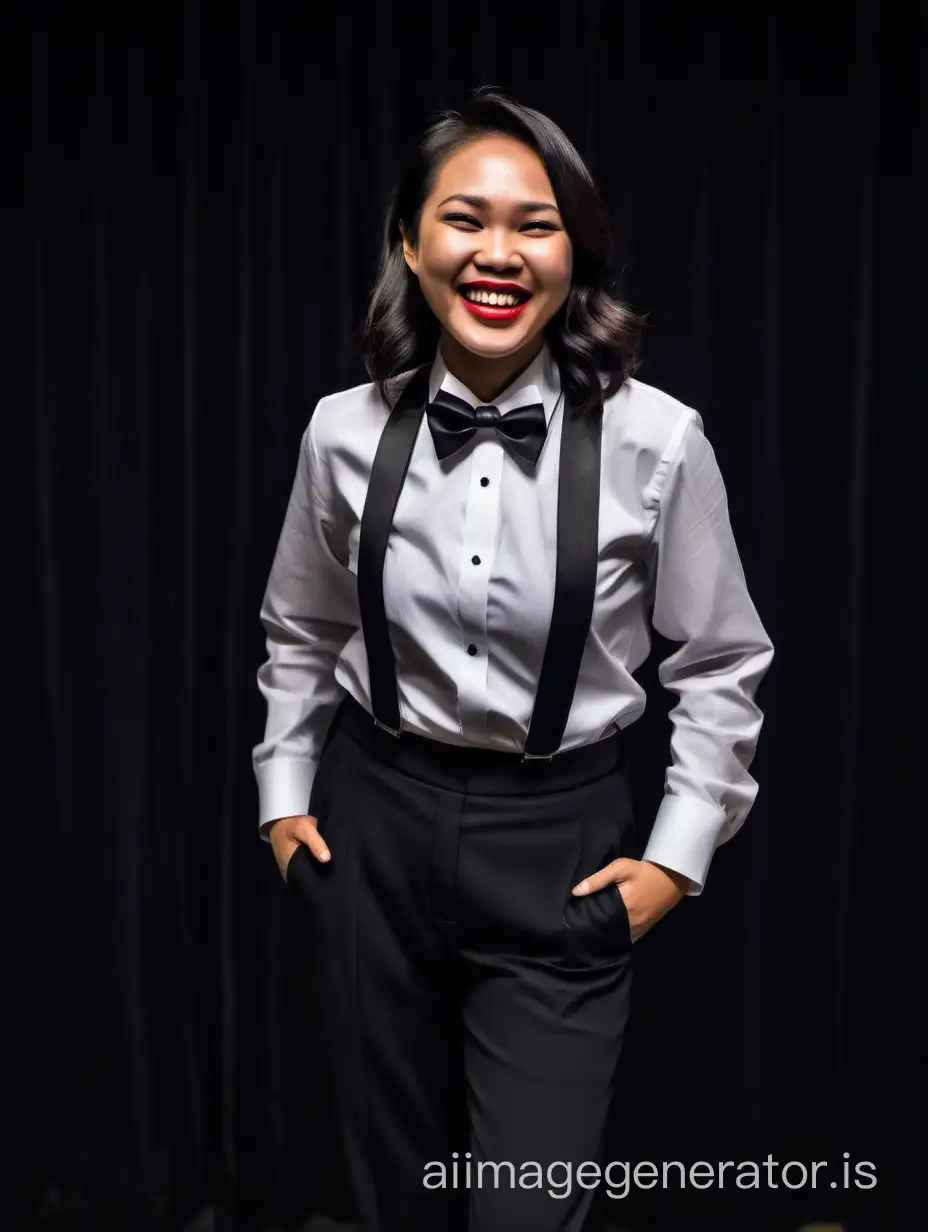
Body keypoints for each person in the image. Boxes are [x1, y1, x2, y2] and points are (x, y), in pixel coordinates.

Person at [252, 87, 774, 1232]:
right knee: (390, 1202)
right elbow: (301, 626)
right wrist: (286, 805)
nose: (497, 253)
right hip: (371, 828)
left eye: (534, 223)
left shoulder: (658, 438)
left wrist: (672, 863)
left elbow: (721, 661)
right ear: (409, 239)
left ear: (573, 250)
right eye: (464, 218)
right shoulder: (342, 429)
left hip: (562, 842)